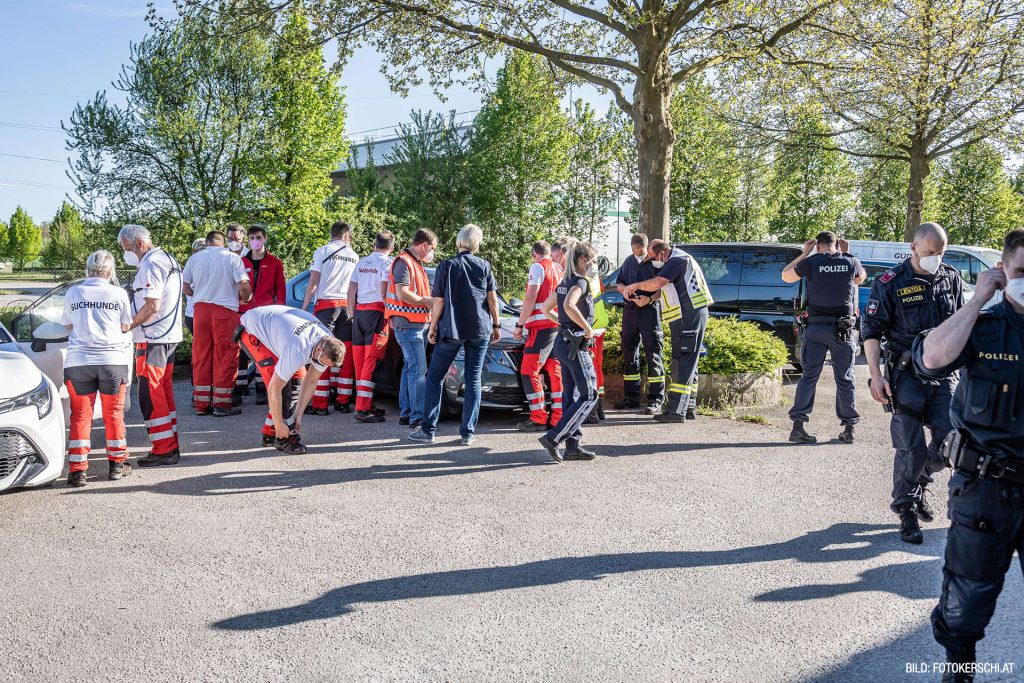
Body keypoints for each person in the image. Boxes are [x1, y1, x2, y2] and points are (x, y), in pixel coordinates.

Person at [915, 229, 1024, 681]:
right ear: (1003, 272)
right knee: (967, 595)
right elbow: (932, 359)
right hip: (986, 489)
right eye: (1022, 272)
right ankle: (959, 670)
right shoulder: (982, 325)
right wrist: (976, 300)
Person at [861, 222, 966, 545]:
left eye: (941, 252)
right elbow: (871, 331)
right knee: (911, 446)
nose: (936, 258)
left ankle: (917, 482)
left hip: (944, 374)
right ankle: (906, 507)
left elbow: (962, 324)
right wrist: (876, 377)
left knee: (952, 441)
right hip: (905, 374)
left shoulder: (951, 277)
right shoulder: (890, 282)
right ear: (914, 249)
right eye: (931, 252)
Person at [409, 225, 501, 446]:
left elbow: (438, 300)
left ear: (459, 241)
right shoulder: (484, 266)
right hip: (480, 329)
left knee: (434, 377)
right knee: (473, 380)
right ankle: (467, 434)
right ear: (476, 243)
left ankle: (428, 430)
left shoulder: (446, 266)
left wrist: (432, 327)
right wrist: (496, 325)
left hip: (452, 330)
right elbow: (492, 299)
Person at [781, 231, 867, 444]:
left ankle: (798, 428)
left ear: (818, 245)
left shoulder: (811, 262)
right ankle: (849, 429)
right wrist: (846, 253)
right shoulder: (850, 261)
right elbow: (860, 280)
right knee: (845, 378)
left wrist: (805, 253)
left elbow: (786, 275)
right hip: (843, 330)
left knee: (809, 377)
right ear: (837, 244)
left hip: (815, 329)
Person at [62, 250, 133, 487]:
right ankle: (116, 465)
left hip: (79, 361)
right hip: (112, 360)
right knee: (114, 415)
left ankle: (77, 470)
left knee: (81, 416)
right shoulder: (118, 293)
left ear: (87, 269)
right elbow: (126, 325)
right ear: (110, 271)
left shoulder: (74, 292)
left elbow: (68, 324)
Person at [623, 239, 713, 423]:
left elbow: (657, 283)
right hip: (690, 314)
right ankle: (688, 407)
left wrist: (636, 285)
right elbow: (662, 290)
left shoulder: (677, 260)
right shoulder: (679, 259)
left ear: (662, 253)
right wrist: (647, 300)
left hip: (688, 315)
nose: (651, 261)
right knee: (690, 361)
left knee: (682, 360)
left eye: (652, 257)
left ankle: (675, 411)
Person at [237, 305, 347, 454]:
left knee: (298, 383)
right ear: (319, 350)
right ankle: (283, 438)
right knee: (282, 387)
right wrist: (279, 422)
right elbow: (274, 388)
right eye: (324, 363)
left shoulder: (327, 342)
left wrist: (299, 415)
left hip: (277, 330)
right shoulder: (298, 348)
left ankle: (271, 433)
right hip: (253, 332)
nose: (323, 366)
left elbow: (311, 381)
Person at [119, 223, 184, 466]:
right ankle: (169, 443)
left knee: (151, 392)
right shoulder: (167, 258)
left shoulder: (151, 263)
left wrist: (129, 325)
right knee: (163, 392)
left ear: (139, 243)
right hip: (166, 336)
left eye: (129, 250)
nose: (129, 255)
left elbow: (152, 305)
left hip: (153, 337)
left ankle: (164, 449)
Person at [536, 240, 600, 462]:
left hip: (563, 343)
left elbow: (546, 308)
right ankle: (555, 437)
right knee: (590, 394)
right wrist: (587, 328)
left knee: (571, 396)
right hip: (575, 345)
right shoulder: (581, 282)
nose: (595, 265)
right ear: (583, 260)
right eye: (593, 260)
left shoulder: (565, 281)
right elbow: (569, 306)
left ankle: (573, 446)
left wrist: (563, 325)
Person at [182, 230, 251, 417]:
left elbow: (185, 286)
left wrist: (199, 294)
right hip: (225, 310)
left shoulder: (195, 258)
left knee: (201, 355)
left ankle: (201, 404)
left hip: (201, 310)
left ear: (207, 242)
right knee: (225, 354)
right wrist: (245, 298)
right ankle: (222, 404)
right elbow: (244, 285)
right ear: (223, 242)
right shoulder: (231, 258)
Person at [302, 221, 359, 415]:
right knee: (345, 352)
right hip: (346, 307)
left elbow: (313, 282)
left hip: (326, 306)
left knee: (321, 353)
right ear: (346, 236)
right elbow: (355, 287)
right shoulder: (354, 255)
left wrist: (304, 308)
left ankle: (320, 404)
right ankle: (343, 401)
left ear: (332, 234)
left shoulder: (322, 251)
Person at [385, 229, 438, 428]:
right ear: (424, 245)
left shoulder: (416, 264)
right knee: (418, 370)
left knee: (410, 368)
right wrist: (427, 302)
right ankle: (417, 417)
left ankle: (407, 413)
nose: (432, 253)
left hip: (416, 323)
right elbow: (402, 293)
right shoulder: (404, 262)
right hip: (408, 324)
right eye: (432, 248)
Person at [513, 241, 563, 432]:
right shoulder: (558, 269)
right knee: (554, 369)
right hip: (556, 325)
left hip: (541, 327)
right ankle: (558, 417)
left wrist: (520, 324)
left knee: (528, 370)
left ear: (534, 253)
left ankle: (538, 418)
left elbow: (530, 296)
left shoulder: (538, 266)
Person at [347, 231, 395, 423]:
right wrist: (389, 312)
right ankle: (363, 408)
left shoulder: (362, 262)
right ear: (391, 247)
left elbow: (351, 289)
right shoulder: (387, 263)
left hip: (359, 313)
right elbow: (384, 291)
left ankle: (365, 402)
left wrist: (351, 313)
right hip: (377, 312)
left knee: (360, 361)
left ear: (374, 244)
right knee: (371, 361)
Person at [615, 234, 664, 413]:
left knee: (653, 352)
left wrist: (649, 299)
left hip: (649, 312)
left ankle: (655, 399)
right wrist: (624, 290)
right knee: (629, 352)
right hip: (630, 312)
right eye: (636, 251)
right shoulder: (628, 261)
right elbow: (619, 282)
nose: (639, 254)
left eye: (641, 252)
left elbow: (662, 289)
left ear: (645, 248)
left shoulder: (655, 263)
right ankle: (631, 396)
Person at [237, 225, 286, 405]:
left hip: (265, 315)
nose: (255, 241)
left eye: (258, 237)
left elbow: (280, 290)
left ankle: (261, 388)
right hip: (243, 312)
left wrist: (279, 313)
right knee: (241, 352)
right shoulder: (241, 262)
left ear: (264, 239)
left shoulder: (274, 263)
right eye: (251, 238)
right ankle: (240, 387)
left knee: (263, 350)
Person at [183, 238, 205, 336]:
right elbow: (185, 288)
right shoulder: (193, 262)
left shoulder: (192, 262)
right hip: (198, 313)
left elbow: (184, 287)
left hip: (191, 314)